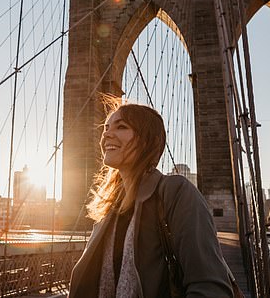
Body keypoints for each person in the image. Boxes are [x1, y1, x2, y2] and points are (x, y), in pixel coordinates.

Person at [68, 102, 234, 297]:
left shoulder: (176, 192)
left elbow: (210, 287)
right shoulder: (108, 208)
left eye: (121, 127)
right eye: (106, 127)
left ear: (149, 141)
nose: (107, 134)